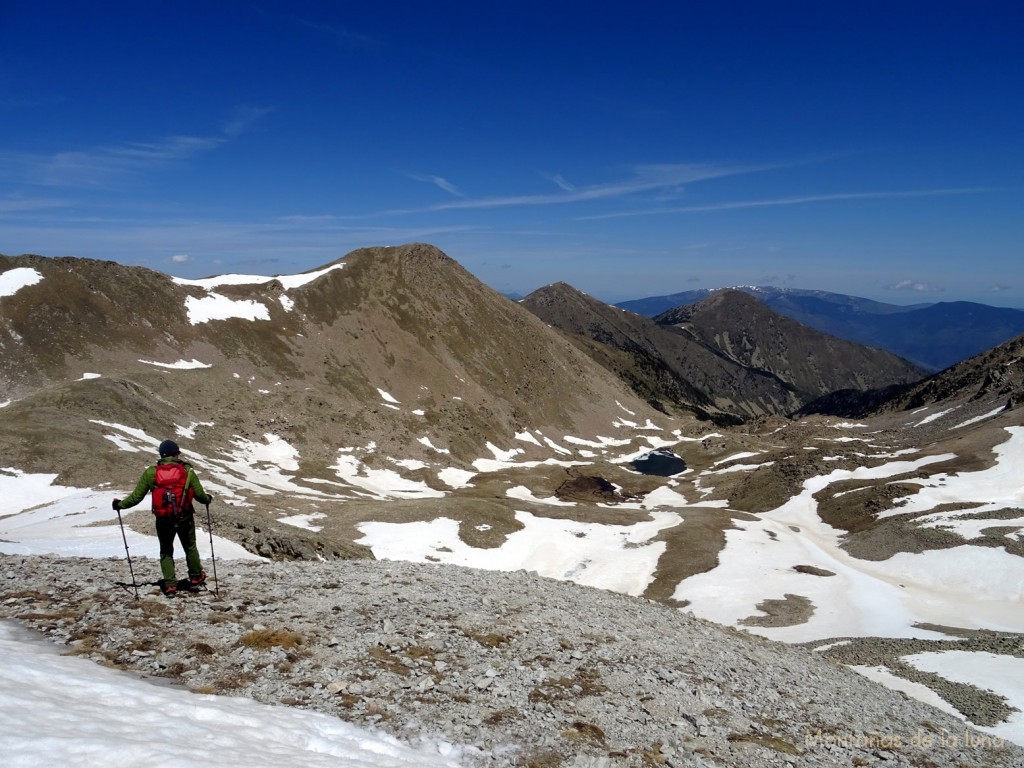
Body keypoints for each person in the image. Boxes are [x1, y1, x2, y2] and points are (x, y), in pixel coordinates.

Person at [113, 439, 213, 597]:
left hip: (163, 519)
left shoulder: (151, 472)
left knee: (166, 551)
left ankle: (170, 585)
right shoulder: (187, 471)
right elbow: (200, 495)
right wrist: (208, 499)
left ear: (161, 455)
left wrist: (120, 505)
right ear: (176, 454)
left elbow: (136, 497)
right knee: (190, 548)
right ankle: (195, 579)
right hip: (184, 517)